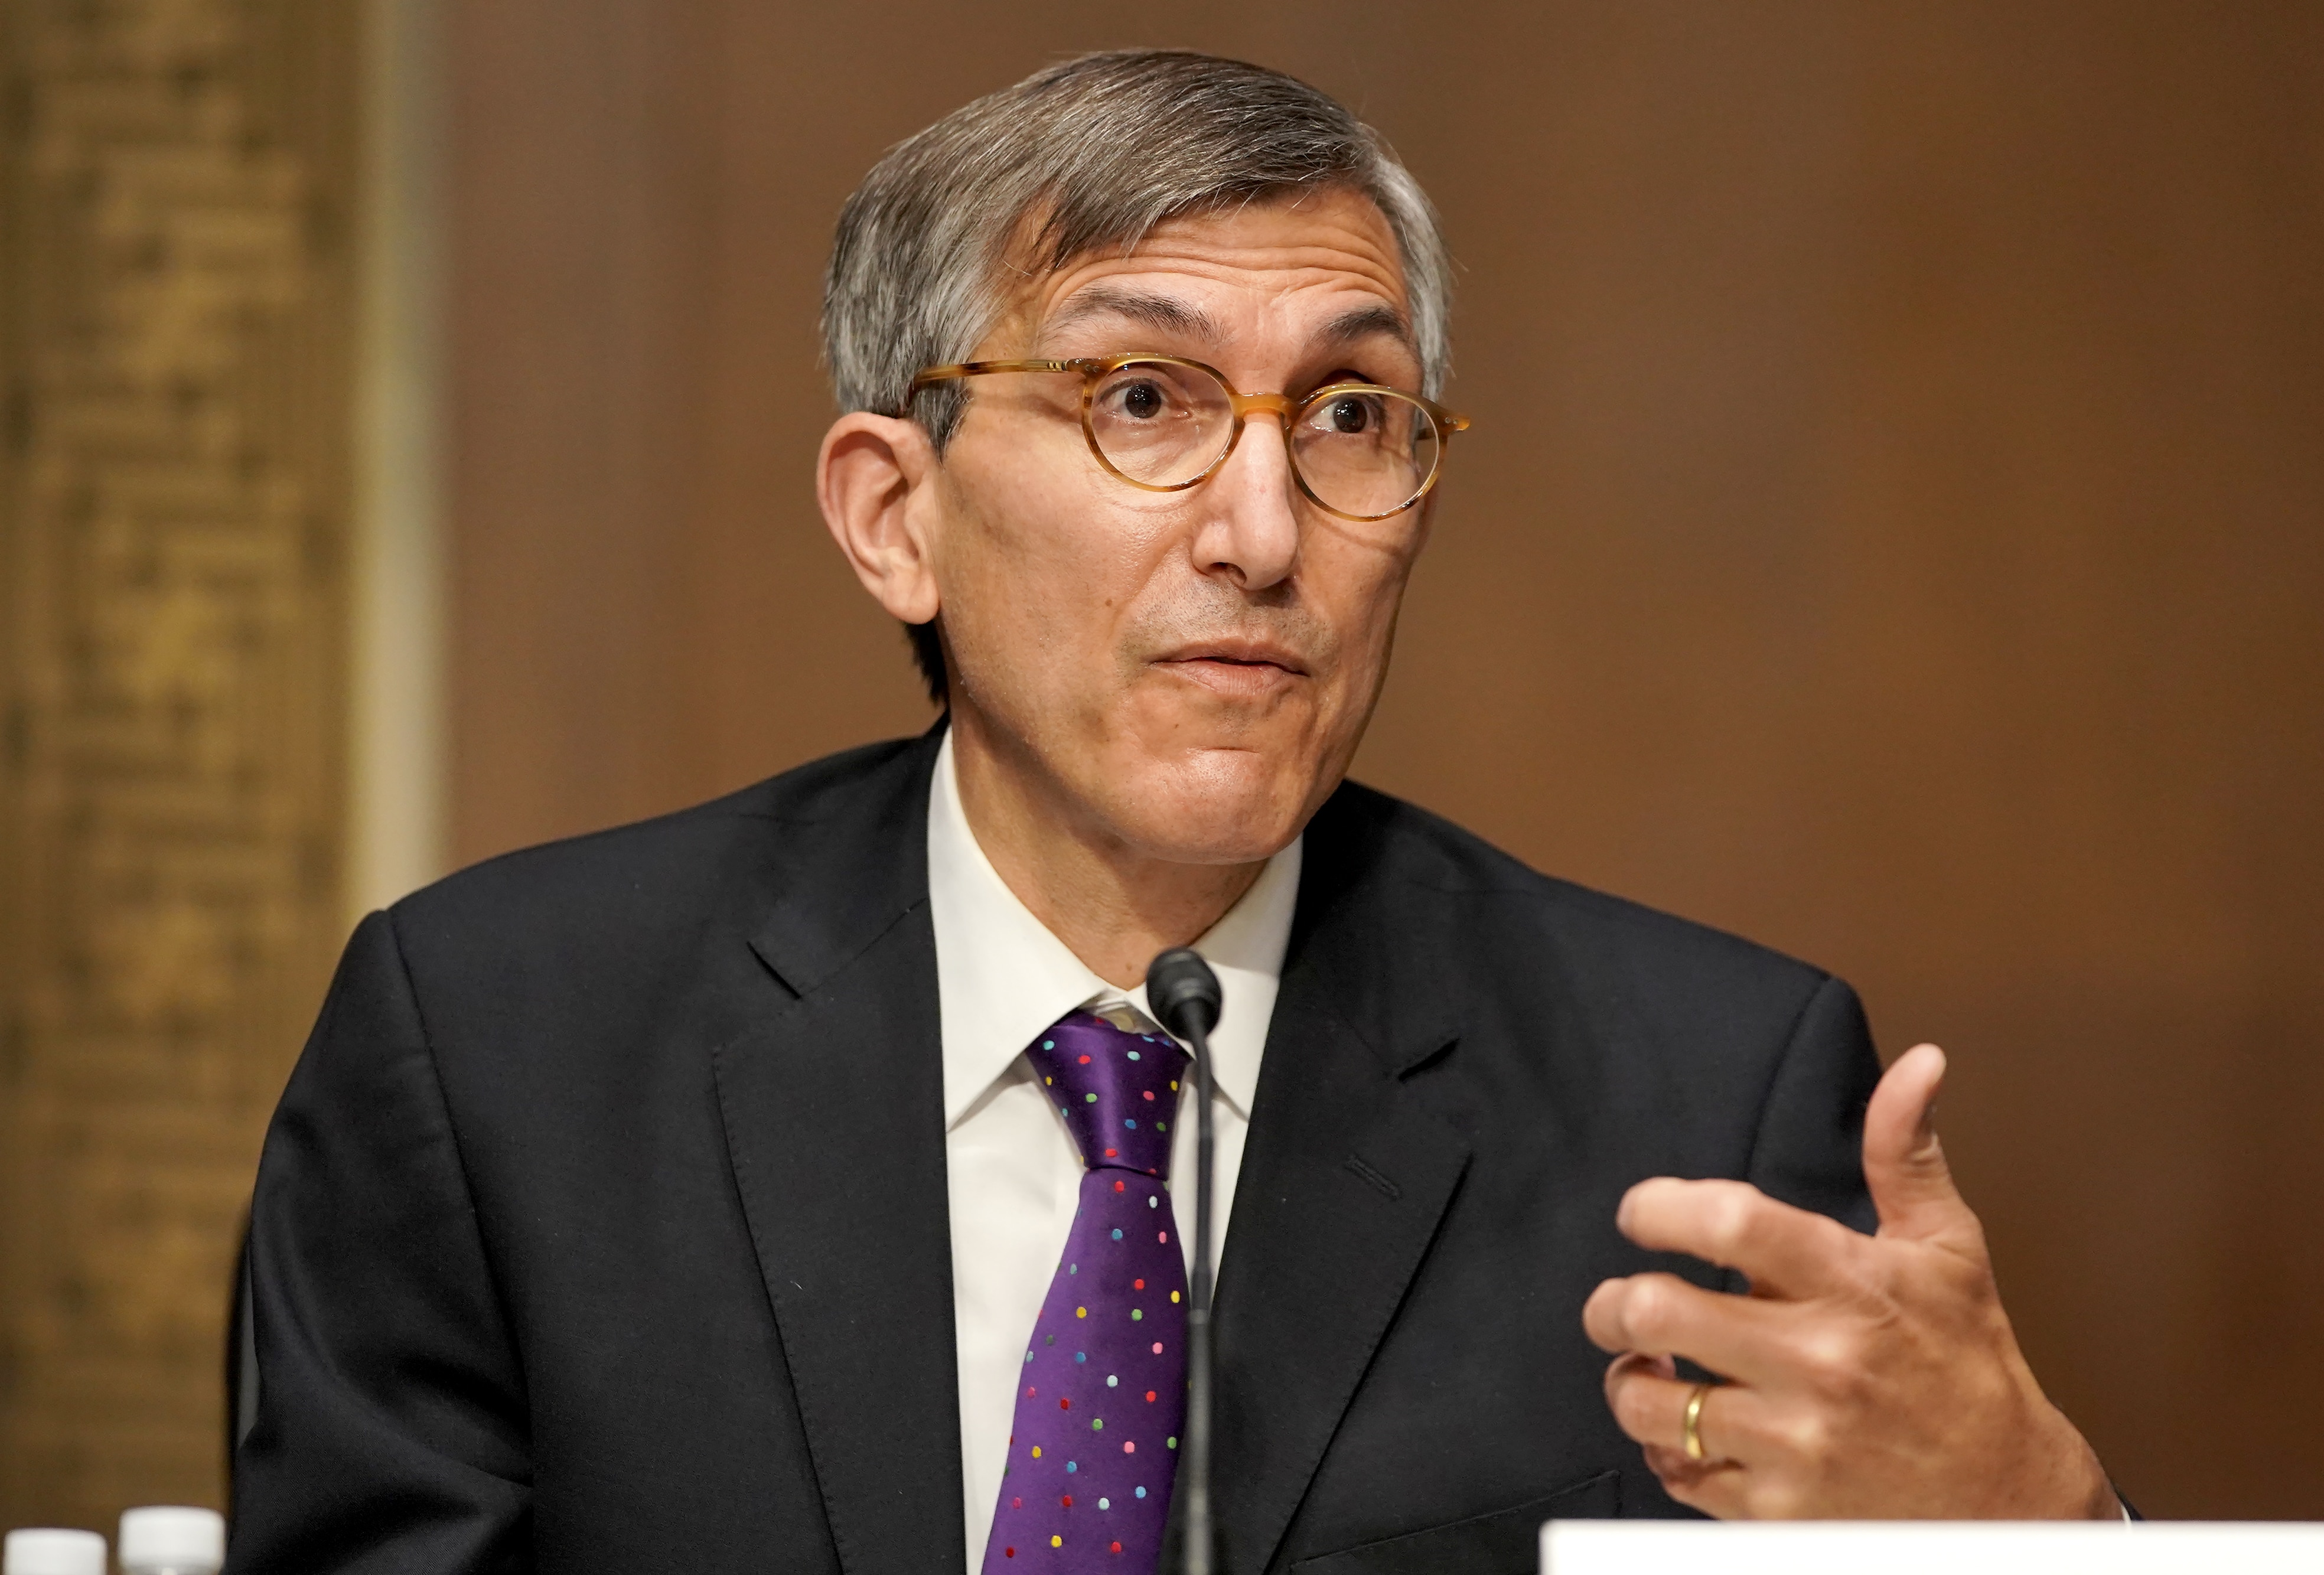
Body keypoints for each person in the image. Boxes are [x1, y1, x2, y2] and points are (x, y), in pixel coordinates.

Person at [227, 50, 2118, 1575]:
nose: (1264, 532)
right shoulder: (501, 1053)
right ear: (894, 513)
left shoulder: (1698, 1099)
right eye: (1144, 398)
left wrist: (2036, 1525)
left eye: (1351, 415)